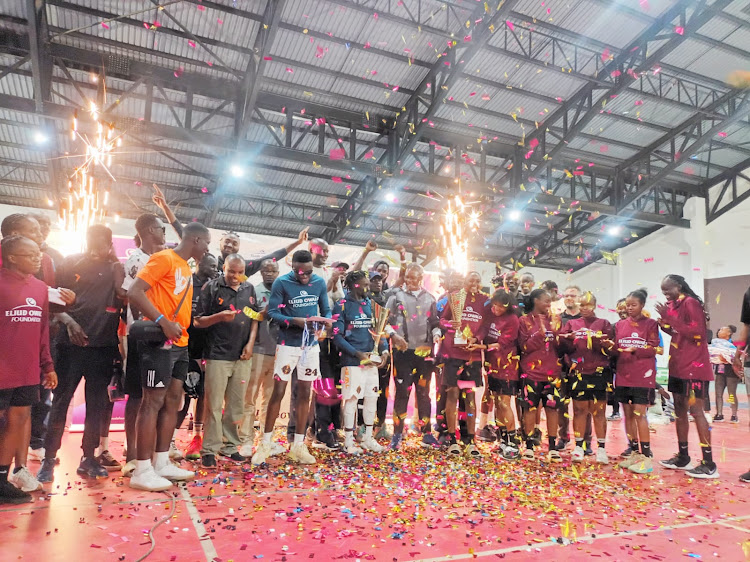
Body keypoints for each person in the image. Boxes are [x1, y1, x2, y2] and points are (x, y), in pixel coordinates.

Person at [126, 222, 211, 491]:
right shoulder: (163, 258)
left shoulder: (186, 266)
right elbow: (134, 292)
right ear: (196, 240)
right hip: (159, 341)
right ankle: (142, 469)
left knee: (173, 400)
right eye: (206, 243)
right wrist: (162, 321)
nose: (208, 249)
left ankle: (161, 462)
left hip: (180, 341)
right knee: (152, 402)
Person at [37, 225, 125, 483]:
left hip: (103, 347)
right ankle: (49, 458)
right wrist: (69, 322)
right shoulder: (70, 263)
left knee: (96, 405)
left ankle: (89, 457)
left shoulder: (115, 270)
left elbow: (124, 299)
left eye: (100, 244)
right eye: (90, 243)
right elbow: (51, 303)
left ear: (109, 244)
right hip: (70, 347)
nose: (94, 249)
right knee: (60, 402)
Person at [251, 250, 332, 465]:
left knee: (305, 393)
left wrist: (325, 324)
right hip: (287, 344)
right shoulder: (281, 282)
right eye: (299, 272)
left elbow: (327, 310)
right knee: (278, 392)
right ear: (292, 266)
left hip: (310, 346)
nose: (304, 276)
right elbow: (273, 314)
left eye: (308, 272)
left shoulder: (319, 283)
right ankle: (265, 443)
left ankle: (298, 445)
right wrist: (295, 321)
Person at [0, 236, 57, 504]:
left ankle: (2, 479)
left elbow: (43, 330)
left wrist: (47, 365)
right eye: (30, 254)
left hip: (27, 371)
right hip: (2, 369)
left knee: (18, 422)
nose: (37, 258)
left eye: (38, 253)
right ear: (11, 257)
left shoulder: (40, 287)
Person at [194, 254, 258, 467]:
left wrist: (250, 344)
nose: (235, 276)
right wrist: (219, 317)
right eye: (231, 271)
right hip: (217, 355)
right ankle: (209, 449)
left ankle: (230, 447)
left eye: (240, 272)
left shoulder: (249, 288)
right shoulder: (211, 288)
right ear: (224, 268)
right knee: (213, 405)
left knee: (236, 405)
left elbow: (254, 318)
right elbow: (197, 322)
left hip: (242, 357)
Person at [655, 275, 718, 478]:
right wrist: (665, 325)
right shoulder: (674, 305)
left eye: (668, 289)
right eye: (663, 291)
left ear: (679, 286)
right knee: (679, 410)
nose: (666, 294)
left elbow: (698, 332)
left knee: (696, 411)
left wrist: (670, 318)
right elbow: (679, 332)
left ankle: (709, 463)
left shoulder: (690, 303)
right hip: (678, 365)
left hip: (694, 366)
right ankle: (683, 457)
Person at [385, 264, 442, 450]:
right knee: (402, 393)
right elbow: (384, 324)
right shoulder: (395, 297)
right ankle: (397, 434)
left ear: (421, 279)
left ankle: (426, 433)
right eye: (407, 278)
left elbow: (435, 323)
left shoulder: (430, 298)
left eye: (414, 279)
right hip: (403, 353)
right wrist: (393, 335)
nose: (410, 282)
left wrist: (436, 334)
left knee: (424, 394)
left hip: (424, 353)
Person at [332, 270, 388, 454]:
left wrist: (385, 350)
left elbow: (380, 330)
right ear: (354, 285)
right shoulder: (341, 305)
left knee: (372, 398)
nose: (368, 287)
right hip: (352, 362)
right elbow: (337, 337)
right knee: (351, 400)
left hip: (371, 362)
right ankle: (349, 441)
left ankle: (368, 438)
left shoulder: (370, 305)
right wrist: (357, 354)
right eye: (364, 284)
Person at [605, 289, 660, 474]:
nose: (629, 308)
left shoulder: (651, 324)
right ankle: (634, 451)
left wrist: (635, 350)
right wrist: (609, 347)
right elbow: (617, 348)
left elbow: (653, 348)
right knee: (627, 414)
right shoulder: (620, 325)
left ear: (642, 305)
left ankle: (646, 455)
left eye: (633, 305)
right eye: (627, 305)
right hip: (623, 374)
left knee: (639, 414)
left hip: (642, 376)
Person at [559, 291, 613, 464]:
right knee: (579, 410)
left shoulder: (603, 323)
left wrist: (601, 342)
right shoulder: (572, 323)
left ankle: (602, 449)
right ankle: (578, 446)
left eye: (587, 305)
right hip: (578, 373)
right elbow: (563, 349)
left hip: (598, 372)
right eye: (581, 305)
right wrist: (568, 340)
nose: (584, 308)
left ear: (595, 306)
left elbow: (611, 349)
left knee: (599, 412)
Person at [439, 271, 488, 457]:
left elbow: (485, 326)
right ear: (465, 282)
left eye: (477, 280)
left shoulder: (485, 301)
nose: (474, 283)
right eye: (471, 280)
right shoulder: (455, 297)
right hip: (453, 353)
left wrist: (477, 338)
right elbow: (442, 320)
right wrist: (452, 325)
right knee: (452, 394)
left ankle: (470, 440)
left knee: (469, 397)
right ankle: (452, 439)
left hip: (472, 355)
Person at [177, 252, 218, 461]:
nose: (214, 269)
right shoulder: (186, 280)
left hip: (207, 347)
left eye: (216, 266)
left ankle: (198, 437)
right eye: (211, 265)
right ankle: (171, 439)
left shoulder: (216, 286)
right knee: (180, 392)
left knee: (203, 392)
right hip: (184, 343)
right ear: (198, 263)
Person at [471, 289, 521, 459]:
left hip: (507, 366)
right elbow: (483, 331)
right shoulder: (490, 314)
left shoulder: (513, 319)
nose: (497, 310)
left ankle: (513, 443)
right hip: (491, 365)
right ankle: (503, 440)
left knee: (505, 403)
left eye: (501, 307)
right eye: (495, 306)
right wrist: (475, 339)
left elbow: (503, 343)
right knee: (498, 402)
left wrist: (481, 347)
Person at [238, 258, 279, 457]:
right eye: (266, 271)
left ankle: (266, 440)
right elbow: (247, 316)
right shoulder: (253, 291)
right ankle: (246, 440)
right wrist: (259, 315)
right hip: (259, 350)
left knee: (270, 399)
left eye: (273, 270)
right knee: (250, 397)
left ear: (278, 272)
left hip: (280, 352)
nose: (269, 274)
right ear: (260, 272)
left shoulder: (283, 291)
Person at [518, 289, 562, 462]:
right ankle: (529, 445)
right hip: (531, 372)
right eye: (545, 301)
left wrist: (563, 337)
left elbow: (560, 346)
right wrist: (538, 335)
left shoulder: (555, 320)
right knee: (530, 408)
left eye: (550, 301)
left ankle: (552, 446)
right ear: (535, 300)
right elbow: (523, 347)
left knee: (552, 409)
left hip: (552, 374)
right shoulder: (524, 321)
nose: (549, 304)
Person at [558, 285, 593, 454]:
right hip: (561, 368)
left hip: (582, 369)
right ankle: (562, 438)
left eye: (572, 295)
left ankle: (586, 442)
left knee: (583, 408)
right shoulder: (558, 319)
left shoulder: (589, 320)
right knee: (560, 405)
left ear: (581, 298)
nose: (569, 297)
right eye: (566, 295)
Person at [215, 227, 309, 277]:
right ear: (220, 242)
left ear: (238, 248)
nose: (230, 245)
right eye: (227, 241)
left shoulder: (245, 266)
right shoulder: (211, 264)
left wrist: (298, 242)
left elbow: (272, 257)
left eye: (234, 243)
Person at [365, 270, 392, 440]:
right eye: (373, 280)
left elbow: (387, 328)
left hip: (383, 350)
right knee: (363, 391)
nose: (378, 282)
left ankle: (380, 425)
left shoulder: (387, 301)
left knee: (383, 390)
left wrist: (385, 350)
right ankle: (361, 426)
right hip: (364, 350)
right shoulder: (363, 302)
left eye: (380, 280)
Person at [709, 326, 738, 423]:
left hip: (731, 372)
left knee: (731, 393)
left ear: (728, 333)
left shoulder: (733, 345)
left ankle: (734, 415)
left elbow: (736, 358)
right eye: (719, 329)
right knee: (718, 393)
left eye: (722, 330)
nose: (719, 331)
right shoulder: (715, 343)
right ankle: (719, 414)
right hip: (720, 371)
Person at [607, 299, 629, 421]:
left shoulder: (639, 326)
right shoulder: (613, 326)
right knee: (613, 388)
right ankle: (615, 411)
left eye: (624, 307)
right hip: (615, 362)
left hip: (630, 363)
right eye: (619, 308)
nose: (621, 311)